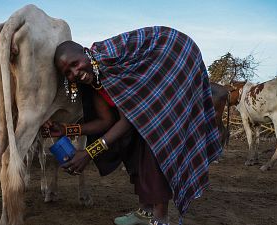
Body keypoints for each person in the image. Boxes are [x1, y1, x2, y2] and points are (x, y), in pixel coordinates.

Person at [43, 26, 222, 225]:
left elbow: (128, 118)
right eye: (68, 72)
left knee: (154, 134)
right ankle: (145, 212)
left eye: (75, 63)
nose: (76, 72)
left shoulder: (109, 62)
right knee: (132, 142)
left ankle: (161, 219)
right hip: (165, 60)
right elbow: (107, 121)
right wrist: (67, 129)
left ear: (86, 53)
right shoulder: (95, 80)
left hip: (173, 54)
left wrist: (88, 153)